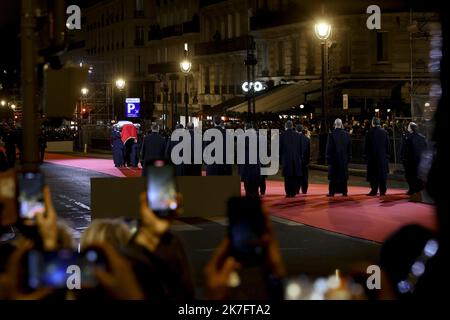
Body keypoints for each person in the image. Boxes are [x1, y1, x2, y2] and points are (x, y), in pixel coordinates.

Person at [364, 117, 390, 196]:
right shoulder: (384, 133)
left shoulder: (369, 133)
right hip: (382, 158)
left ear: (373, 123)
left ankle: (374, 190)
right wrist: (387, 156)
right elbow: (388, 145)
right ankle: (383, 191)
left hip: (372, 158)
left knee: (373, 175)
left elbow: (366, 146)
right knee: (382, 175)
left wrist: (366, 156)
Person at [326, 118, 352, 197]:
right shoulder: (347, 135)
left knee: (333, 177)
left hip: (333, 159)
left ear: (335, 124)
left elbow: (329, 148)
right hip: (343, 159)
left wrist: (328, 158)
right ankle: (344, 192)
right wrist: (349, 158)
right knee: (343, 177)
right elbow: (349, 148)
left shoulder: (331, 135)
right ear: (341, 124)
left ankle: (332, 192)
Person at [400, 122, 428, 195]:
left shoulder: (407, 137)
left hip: (410, 160)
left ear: (410, 128)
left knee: (409, 175)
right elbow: (425, 149)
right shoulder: (422, 137)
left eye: (408, 126)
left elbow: (404, 149)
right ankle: (418, 190)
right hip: (420, 160)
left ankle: (412, 189)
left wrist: (402, 158)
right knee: (418, 175)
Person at [280, 120, 303, 198]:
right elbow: (300, 148)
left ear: (286, 126)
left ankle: (288, 192)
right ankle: (293, 192)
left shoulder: (282, 135)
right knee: (294, 176)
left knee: (287, 177)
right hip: (296, 159)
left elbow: (280, 148)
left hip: (286, 159)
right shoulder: (297, 135)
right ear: (292, 126)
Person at [238, 123, 261, 197]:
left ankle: (248, 195)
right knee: (255, 181)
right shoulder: (258, 137)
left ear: (245, 128)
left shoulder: (241, 137)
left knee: (247, 182)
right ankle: (255, 194)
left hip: (245, 162)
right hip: (255, 162)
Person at [296, 124, 310, 194]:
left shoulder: (293, 139)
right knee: (304, 177)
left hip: (296, 161)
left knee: (296, 176)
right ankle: (304, 190)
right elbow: (308, 152)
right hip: (304, 161)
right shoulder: (307, 139)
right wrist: (307, 162)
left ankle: (297, 190)